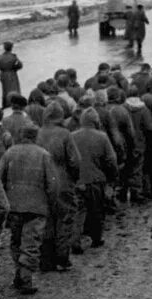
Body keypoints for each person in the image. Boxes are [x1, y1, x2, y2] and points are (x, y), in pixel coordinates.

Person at [0, 122, 57, 294]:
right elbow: (53, 184)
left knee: (15, 241)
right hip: (37, 207)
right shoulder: (44, 155)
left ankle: (19, 273)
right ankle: (25, 278)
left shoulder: (9, 153)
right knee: (31, 243)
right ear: (35, 136)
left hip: (14, 206)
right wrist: (50, 204)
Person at [36, 101, 82, 271]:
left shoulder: (38, 134)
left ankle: (46, 260)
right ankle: (62, 258)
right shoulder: (65, 134)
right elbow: (74, 161)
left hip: (43, 184)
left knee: (46, 220)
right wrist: (73, 179)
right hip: (63, 182)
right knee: (65, 219)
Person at [71, 108, 119, 249]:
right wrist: (113, 177)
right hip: (96, 180)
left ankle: (75, 240)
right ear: (95, 121)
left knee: (78, 212)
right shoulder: (102, 137)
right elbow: (111, 160)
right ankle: (96, 239)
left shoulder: (72, 136)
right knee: (96, 211)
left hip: (77, 180)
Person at [0, 42, 24, 106]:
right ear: (11, 48)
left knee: (5, 90)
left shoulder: (0, 57)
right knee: (14, 89)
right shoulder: (13, 56)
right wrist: (15, 69)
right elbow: (20, 65)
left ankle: (5, 104)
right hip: (11, 74)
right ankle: (14, 104)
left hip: (3, 75)